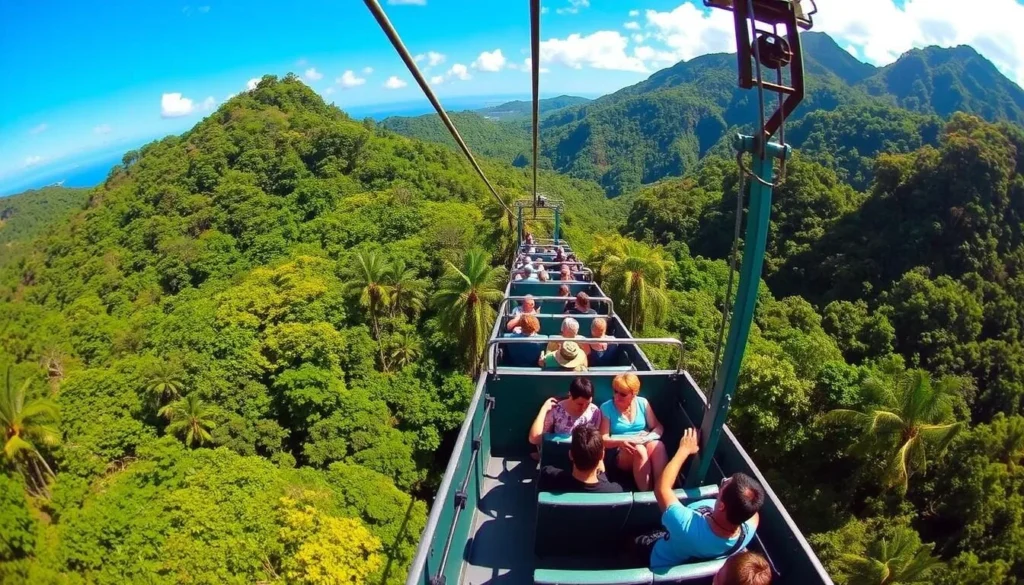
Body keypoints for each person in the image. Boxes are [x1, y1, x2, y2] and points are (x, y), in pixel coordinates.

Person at [635, 428, 762, 567]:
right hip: (687, 550)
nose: (723, 480)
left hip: (657, 557)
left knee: (632, 540)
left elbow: (661, 489)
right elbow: (753, 512)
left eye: (723, 485)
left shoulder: (685, 525)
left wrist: (684, 450)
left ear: (721, 506)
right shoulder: (750, 526)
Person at [599, 373, 667, 491]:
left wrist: (648, 437)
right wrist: (622, 442)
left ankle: (661, 489)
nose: (617, 396)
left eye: (623, 394)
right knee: (639, 450)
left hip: (642, 440)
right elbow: (603, 439)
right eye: (615, 391)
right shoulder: (607, 407)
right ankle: (646, 495)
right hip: (620, 448)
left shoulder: (642, 403)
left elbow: (658, 427)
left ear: (633, 394)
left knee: (658, 446)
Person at [538, 425, 623, 493]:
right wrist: (602, 474)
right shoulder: (615, 491)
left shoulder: (548, 476)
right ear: (602, 456)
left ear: (570, 455)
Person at [528, 377, 603, 444]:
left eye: (588, 404)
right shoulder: (556, 409)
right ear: (570, 395)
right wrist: (544, 409)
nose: (584, 408)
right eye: (579, 404)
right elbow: (535, 439)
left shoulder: (595, 412)